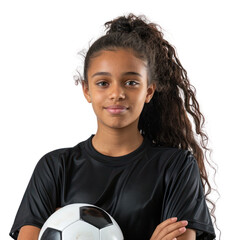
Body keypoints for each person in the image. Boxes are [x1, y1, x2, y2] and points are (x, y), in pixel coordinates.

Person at [10, 13, 217, 240]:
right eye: (103, 83)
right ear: (87, 90)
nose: (117, 93)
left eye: (131, 82)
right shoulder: (55, 168)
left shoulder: (176, 167)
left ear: (148, 91)